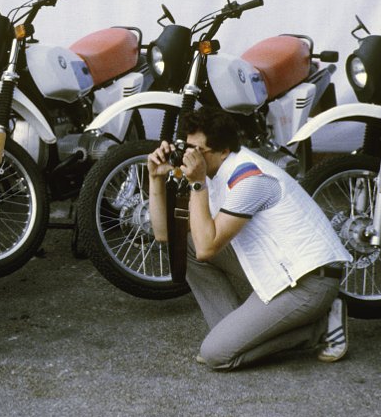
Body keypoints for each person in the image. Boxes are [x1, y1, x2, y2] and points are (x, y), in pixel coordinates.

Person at [146, 107, 353, 370]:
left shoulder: (250, 180)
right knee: (184, 245)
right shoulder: (215, 172)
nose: (188, 157)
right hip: (279, 267)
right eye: (186, 148)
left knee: (215, 355)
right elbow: (164, 235)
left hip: (310, 282)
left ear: (223, 151)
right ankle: (236, 333)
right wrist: (155, 178)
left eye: (197, 151)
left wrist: (197, 184)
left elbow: (207, 248)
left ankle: (320, 327)